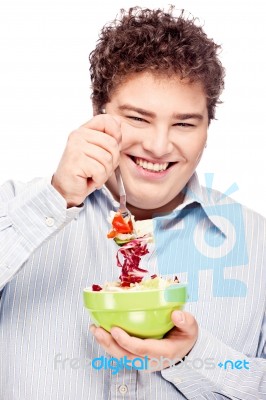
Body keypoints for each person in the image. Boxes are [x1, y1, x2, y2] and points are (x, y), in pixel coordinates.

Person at [0, 6, 265, 400]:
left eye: (184, 123)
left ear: (208, 128)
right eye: (139, 119)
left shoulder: (257, 242)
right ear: (98, 113)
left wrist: (191, 356)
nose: (158, 146)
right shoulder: (16, 208)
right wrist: (57, 198)